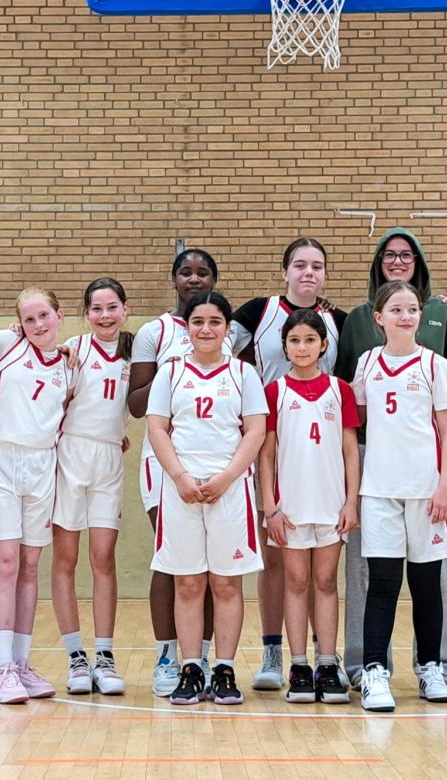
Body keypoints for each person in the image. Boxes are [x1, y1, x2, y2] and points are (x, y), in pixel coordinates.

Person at [333, 228, 447, 689]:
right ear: (379, 317)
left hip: (427, 490)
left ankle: (430, 668)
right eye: (396, 310)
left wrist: (445, 487)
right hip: (379, 490)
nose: (405, 316)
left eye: (412, 310)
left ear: (421, 314)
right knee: (382, 583)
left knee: (427, 584)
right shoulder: (367, 362)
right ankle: (374, 670)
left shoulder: (435, 365)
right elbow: (356, 417)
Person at [231, 237, 345, 691]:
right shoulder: (257, 313)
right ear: (285, 272)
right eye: (299, 265)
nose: (308, 272)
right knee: (277, 562)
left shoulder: (337, 320)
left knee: (320, 574)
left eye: (317, 265)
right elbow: (210, 343)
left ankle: (324, 659)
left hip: (321, 457)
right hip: (272, 450)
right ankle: (275, 652)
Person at [145, 291, 268, 706]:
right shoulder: (170, 373)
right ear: (187, 328)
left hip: (230, 488)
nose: (206, 329)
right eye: (198, 321)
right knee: (188, 582)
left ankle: (225, 669)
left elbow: (255, 430)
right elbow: (157, 428)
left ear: (227, 329)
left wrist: (228, 477)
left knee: (227, 583)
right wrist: (180, 477)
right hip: (180, 489)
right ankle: (192, 668)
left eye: (215, 322)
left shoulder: (243, 374)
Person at [127, 248, 225, 696]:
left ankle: (200, 656)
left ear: (214, 280)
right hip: (164, 463)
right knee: (172, 558)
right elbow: (136, 404)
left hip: (216, 462)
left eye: (203, 273)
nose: (194, 279)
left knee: (212, 565)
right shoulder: (155, 332)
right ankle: (168, 655)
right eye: (186, 272)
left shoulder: (227, 329)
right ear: (174, 279)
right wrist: (174, 370)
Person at [257, 309, 359, 704]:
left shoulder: (340, 390)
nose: (302, 347)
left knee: (326, 582)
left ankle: (327, 664)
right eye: (294, 340)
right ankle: (299, 666)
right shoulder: (275, 392)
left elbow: (350, 450)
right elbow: (266, 455)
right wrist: (271, 508)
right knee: (296, 582)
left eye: (310, 340)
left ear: (323, 344)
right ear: (284, 346)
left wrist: (351, 501)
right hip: (291, 507)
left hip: (331, 504)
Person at [0, 288, 73, 705]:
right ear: (19, 323)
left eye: (44, 316)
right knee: (5, 562)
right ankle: (2, 669)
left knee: (31, 565)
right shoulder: (5, 344)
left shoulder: (71, 364)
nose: (38, 325)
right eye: (29, 318)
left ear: (59, 315)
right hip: (0, 460)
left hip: (42, 465)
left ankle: (21, 663)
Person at [52, 279, 132, 696]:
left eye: (112, 307)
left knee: (103, 558)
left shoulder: (135, 353)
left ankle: (104, 655)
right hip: (71, 454)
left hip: (109, 458)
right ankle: (75, 657)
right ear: (85, 315)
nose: (105, 315)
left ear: (125, 310)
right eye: (96, 309)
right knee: (66, 558)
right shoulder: (74, 350)